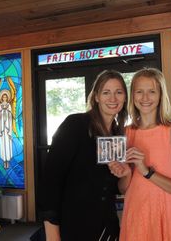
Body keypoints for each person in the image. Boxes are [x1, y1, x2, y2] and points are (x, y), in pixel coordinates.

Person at [40, 70, 128, 241]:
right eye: (106, 92)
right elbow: (50, 182)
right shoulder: (75, 125)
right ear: (96, 97)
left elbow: (114, 188)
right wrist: (52, 236)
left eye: (119, 92)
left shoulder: (118, 135)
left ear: (125, 97)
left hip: (107, 227)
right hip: (73, 227)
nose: (113, 98)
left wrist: (126, 173)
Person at [110, 68, 171, 241]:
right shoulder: (125, 134)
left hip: (169, 217)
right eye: (139, 92)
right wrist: (126, 174)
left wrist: (147, 172)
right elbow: (123, 189)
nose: (145, 98)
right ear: (132, 96)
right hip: (136, 217)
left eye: (151, 92)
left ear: (161, 95)